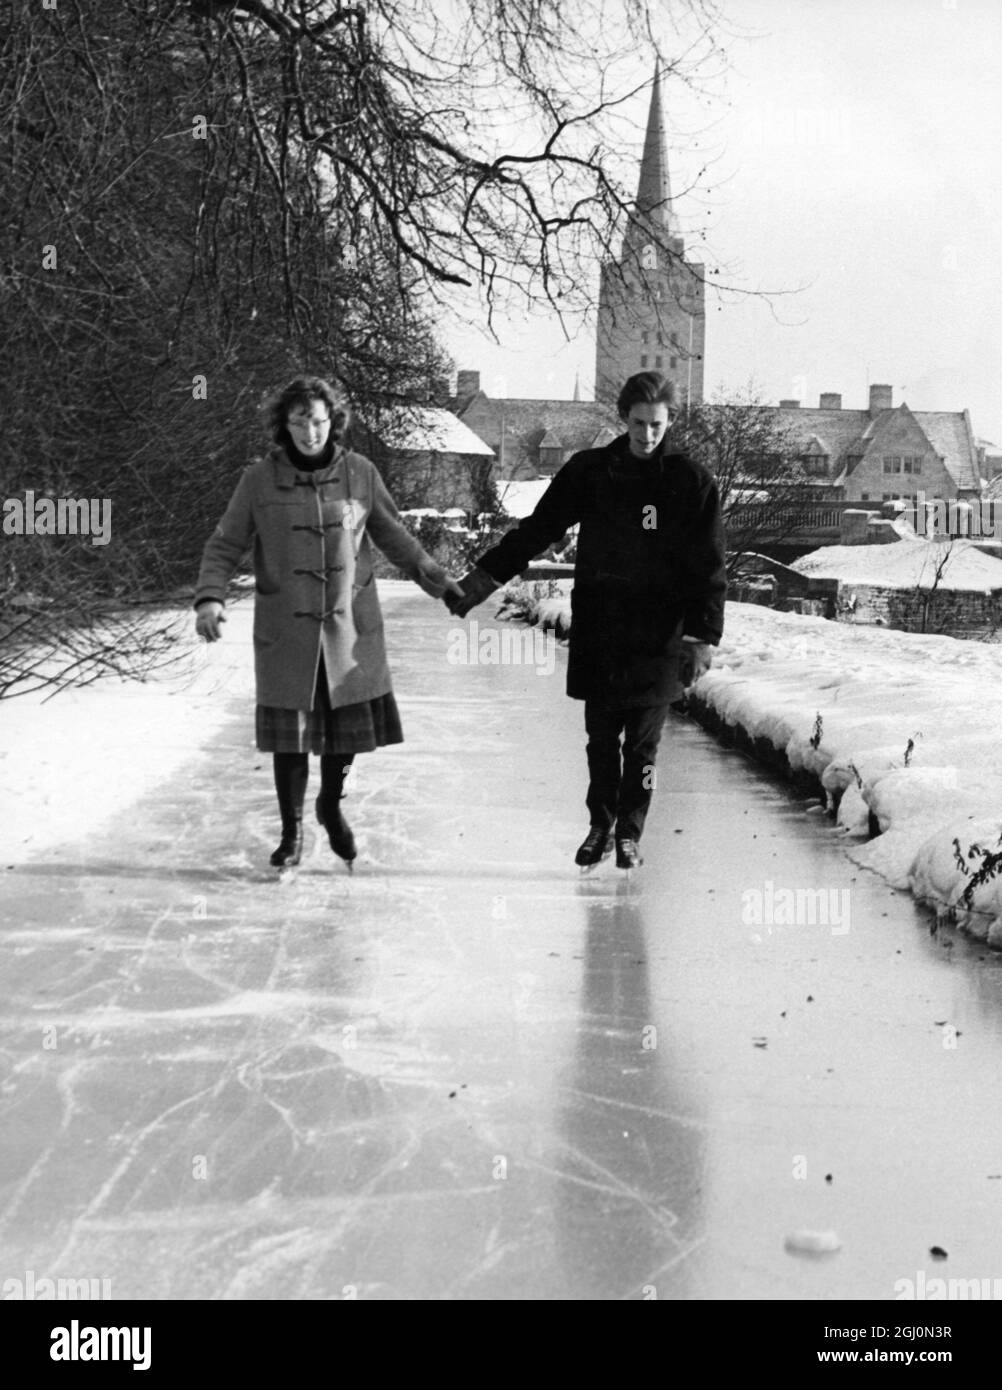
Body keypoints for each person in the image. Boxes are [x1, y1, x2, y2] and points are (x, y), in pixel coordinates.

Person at [447, 371, 726, 869]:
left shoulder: (691, 482)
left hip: (658, 637)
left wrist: (701, 638)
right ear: (624, 418)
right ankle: (600, 824)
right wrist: (485, 577)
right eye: (638, 423)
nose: (646, 435)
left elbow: (708, 568)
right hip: (602, 628)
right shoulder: (592, 471)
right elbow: (538, 530)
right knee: (601, 739)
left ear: (671, 421)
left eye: (656, 425)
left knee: (643, 748)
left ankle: (631, 833)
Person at [194, 375, 462, 870]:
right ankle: (291, 831)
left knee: (344, 733)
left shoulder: (360, 472)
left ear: (332, 422)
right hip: (287, 628)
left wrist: (437, 579)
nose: (310, 433)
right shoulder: (258, 480)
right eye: (299, 422)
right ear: (285, 425)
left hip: (348, 626)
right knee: (290, 734)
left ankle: (329, 804)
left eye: (318, 421)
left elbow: (393, 534)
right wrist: (209, 598)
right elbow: (225, 543)